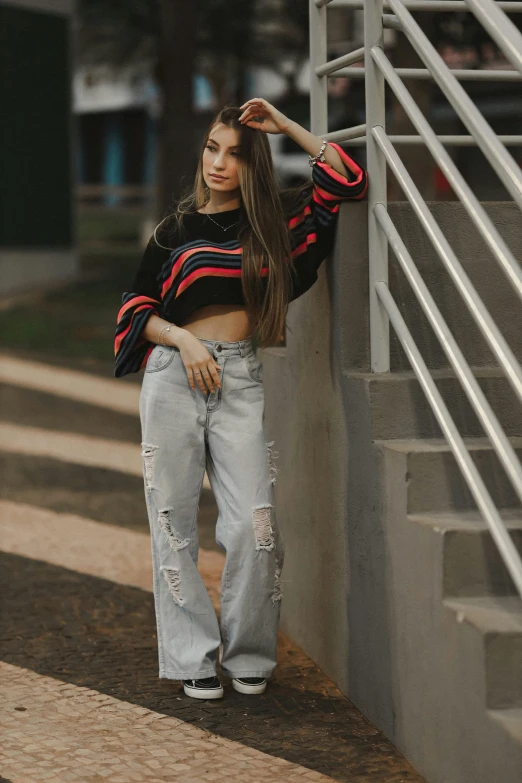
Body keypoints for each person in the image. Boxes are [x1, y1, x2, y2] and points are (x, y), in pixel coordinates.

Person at [114, 98, 368, 700]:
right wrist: (182, 340)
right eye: (211, 148)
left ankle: (249, 652)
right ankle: (191, 657)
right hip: (175, 374)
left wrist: (282, 127)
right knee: (172, 523)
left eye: (234, 153)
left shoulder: (277, 229)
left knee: (257, 526)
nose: (218, 163)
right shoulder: (174, 231)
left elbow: (346, 178)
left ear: (253, 164)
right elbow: (133, 310)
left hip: (240, 381)